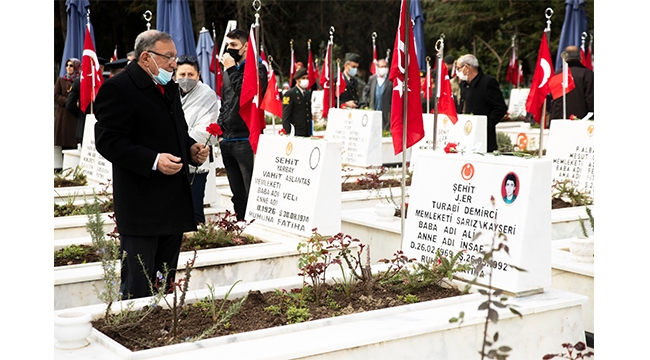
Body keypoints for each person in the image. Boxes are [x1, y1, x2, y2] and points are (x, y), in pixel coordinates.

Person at [93, 30, 210, 299]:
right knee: (140, 283)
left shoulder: (167, 86)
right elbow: (109, 141)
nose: (175, 64)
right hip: (142, 205)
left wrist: (190, 148)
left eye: (175, 57)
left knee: (164, 278)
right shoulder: (118, 89)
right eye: (169, 57)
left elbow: (175, 129)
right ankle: (135, 329)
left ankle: (162, 326)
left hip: (173, 202)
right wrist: (154, 161)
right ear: (146, 57)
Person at [217, 28, 268, 221]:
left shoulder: (257, 69)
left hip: (245, 139)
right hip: (227, 139)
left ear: (246, 46)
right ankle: (240, 223)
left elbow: (245, 96)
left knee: (249, 188)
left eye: (234, 45)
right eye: (228, 45)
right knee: (236, 190)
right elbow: (226, 101)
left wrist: (231, 69)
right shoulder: (231, 70)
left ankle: (253, 223)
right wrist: (220, 129)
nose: (230, 49)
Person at [176, 54, 220, 224]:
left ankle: (197, 241)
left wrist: (179, 138)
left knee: (194, 207)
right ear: (175, 75)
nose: (186, 79)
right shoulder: (169, 92)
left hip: (196, 158)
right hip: (172, 160)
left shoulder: (207, 94)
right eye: (182, 75)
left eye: (190, 75)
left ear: (198, 75)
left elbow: (206, 130)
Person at [456, 54, 507, 152]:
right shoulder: (464, 84)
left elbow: (500, 108)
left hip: (484, 138)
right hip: (465, 134)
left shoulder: (488, 82)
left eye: (458, 68)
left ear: (466, 67)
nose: (457, 72)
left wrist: (485, 125)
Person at [550, 45, 594, 121]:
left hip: (558, 122)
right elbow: (591, 100)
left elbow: (553, 99)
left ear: (564, 58)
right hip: (581, 121)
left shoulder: (557, 74)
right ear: (580, 57)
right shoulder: (587, 74)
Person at [55, 58, 81, 150]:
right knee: (66, 143)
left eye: (71, 65)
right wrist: (68, 101)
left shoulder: (79, 81)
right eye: (67, 65)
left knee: (76, 143)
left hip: (76, 115)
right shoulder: (61, 80)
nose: (68, 68)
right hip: (64, 116)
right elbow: (56, 96)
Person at [362, 58, 392, 131]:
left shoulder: (391, 79)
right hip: (374, 108)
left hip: (386, 110)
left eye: (385, 66)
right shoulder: (372, 78)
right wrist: (365, 102)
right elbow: (366, 90)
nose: (383, 68)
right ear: (378, 68)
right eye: (381, 67)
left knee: (385, 130)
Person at [282, 67, 313, 136]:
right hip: (296, 131)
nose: (306, 80)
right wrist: (288, 132)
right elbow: (286, 116)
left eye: (307, 78)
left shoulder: (307, 93)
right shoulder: (290, 94)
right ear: (297, 80)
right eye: (303, 78)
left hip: (306, 131)